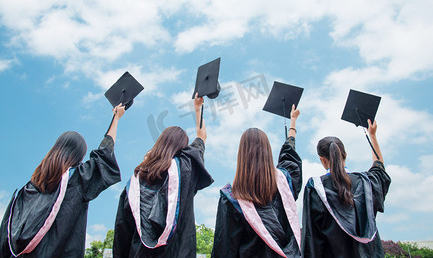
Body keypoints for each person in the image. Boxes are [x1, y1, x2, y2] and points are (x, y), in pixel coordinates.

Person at [0, 104, 125, 258]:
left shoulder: (26, 190)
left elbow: (3, 240)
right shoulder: (77, 179)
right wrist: (116, 119)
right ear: (77, 158)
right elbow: (104, 154)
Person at [113, 94, 213, 258]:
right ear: (182, 149)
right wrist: (197, 108)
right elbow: (202, 137)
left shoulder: (134, 185)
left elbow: (121, 234)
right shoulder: (187, 169)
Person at [211, 105, 302, 258]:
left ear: (241, 155)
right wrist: (292, 124)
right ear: (268, 152)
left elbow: (224, 249)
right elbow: (290, 158)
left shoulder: (232, 199)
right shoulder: (285, 182)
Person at [302, 119, 391, 258]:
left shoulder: (316, 188)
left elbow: (312, 237)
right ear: (345, 155)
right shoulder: (366, 182)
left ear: (322, 159)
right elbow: (379, 169)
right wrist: (372, 136)